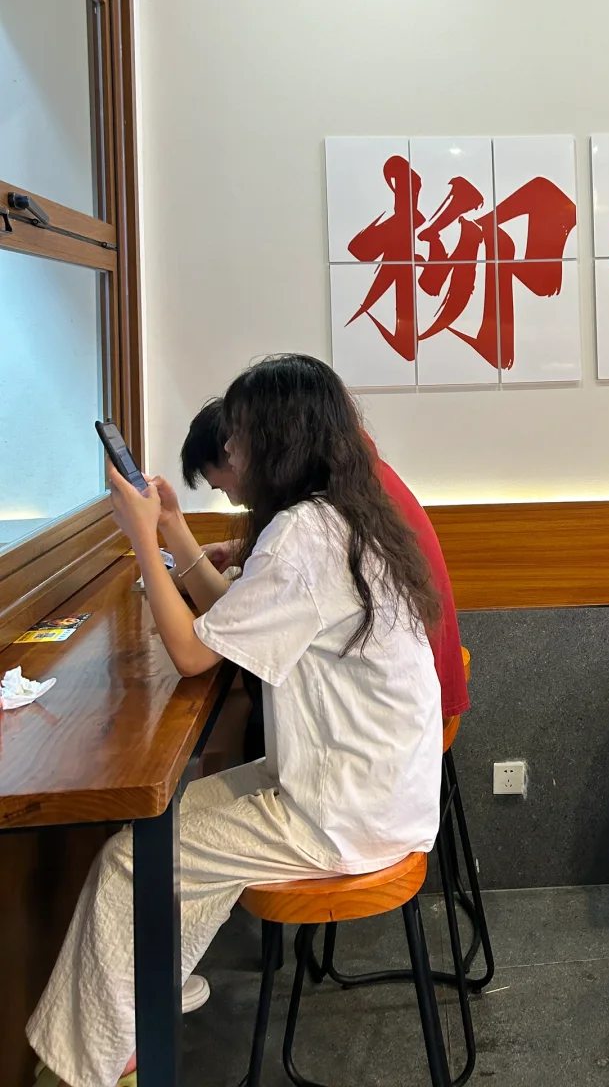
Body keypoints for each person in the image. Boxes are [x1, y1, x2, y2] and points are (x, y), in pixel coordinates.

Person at [28, 355, 444, 1087]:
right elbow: (233, 621)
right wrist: (172, 529)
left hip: (346, 810)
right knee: (171, 819)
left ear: (280, 441)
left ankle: (90, 1069)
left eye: (240, 436)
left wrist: (140, 538)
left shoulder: (303, 536)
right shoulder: (339, 516)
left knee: (130, 862)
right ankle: (137, 1012)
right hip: (366, 784)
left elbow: (193, 654)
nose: (231, 449)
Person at [181, 396, 470, 741]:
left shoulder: (307, 523)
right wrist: (244, 551)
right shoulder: (351, 482)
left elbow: (191, 654)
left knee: (252, 714)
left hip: (392, 720)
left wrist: (156, 529)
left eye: (234, 450)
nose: (234, 500)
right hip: (409, 700)